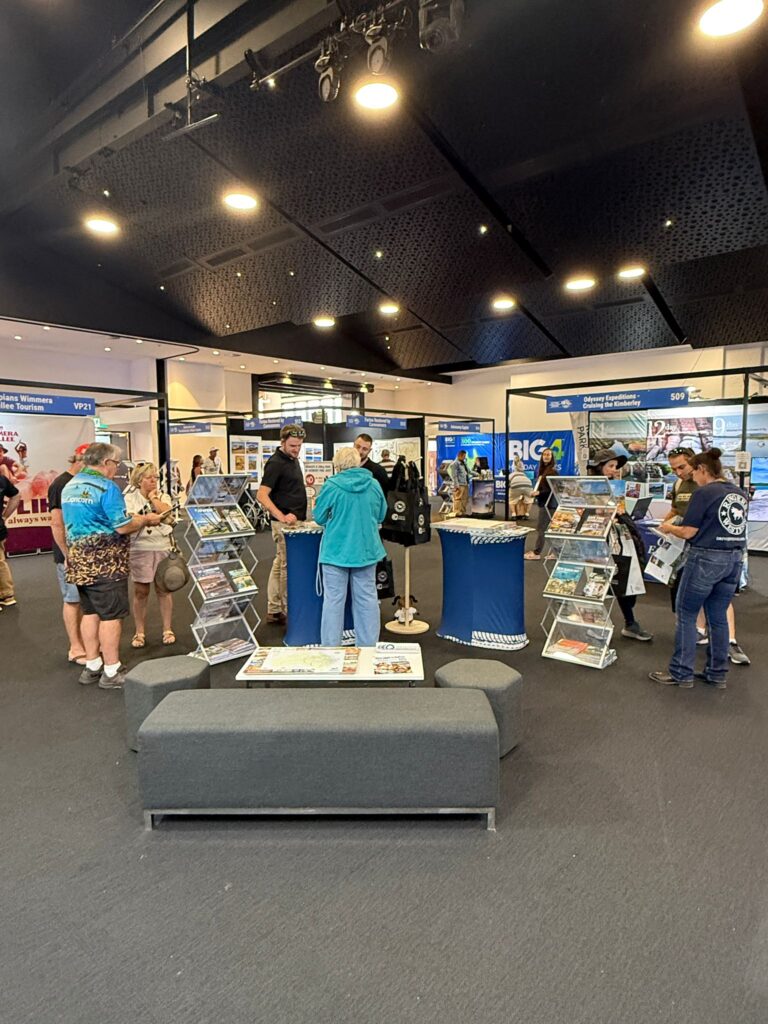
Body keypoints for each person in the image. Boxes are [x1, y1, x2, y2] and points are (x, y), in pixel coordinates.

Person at [61, 443, 163, 689]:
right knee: (111, 616)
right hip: (106, 562)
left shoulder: (70, 485)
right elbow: (122, 525)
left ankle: (92, 665)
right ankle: (111, 669)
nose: (116, 469)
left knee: (90, 612)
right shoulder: (107, 487)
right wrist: (145, 519)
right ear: (106, 463)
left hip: (79, 560)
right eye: (116, 464)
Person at [650, 448, 747, 688]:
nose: (692, 477)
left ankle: (681, 673)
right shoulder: (738, 493)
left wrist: (669, 528)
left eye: (694, 472)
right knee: (718, 618)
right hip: (734, 559)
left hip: (705, 557)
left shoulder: (704, 493)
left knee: (686, 614)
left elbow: (688, 531)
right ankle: (717, 673)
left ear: (703, 470)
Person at [313, 447, 387, 647]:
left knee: (333, 603)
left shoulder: (331, 486)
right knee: (367, 601)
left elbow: (318, 516)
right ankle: (368, 649)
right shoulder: (373, 485)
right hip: (366, 551)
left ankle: (331, 651)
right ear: (358, 462)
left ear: (337, 465)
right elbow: (381, 515)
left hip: (336, 552)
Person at [588, 448, 653, 641]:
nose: (614, 470)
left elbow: (618, 510)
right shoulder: (589, 486)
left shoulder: (615, 486)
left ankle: (630, 623)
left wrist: (619, 515)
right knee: (598, 581)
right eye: (610, 466)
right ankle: (595, 624)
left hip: (618, 538)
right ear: (599, 467)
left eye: (615, 467)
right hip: (598, 540)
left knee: (623, 580)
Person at [256, 425, 307, 625]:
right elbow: (261, 495)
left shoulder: (292, 460)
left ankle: (274, 609)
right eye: (293, 445)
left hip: (294, 523)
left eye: (299, 446)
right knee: (287, 567)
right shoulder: (276, 463)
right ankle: (288, 609)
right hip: (285, 525)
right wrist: (281, 516)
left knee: (280, 565)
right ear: (282, 442)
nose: (296, 449)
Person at [123, 463, 176, 648]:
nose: (153, 480)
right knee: (141, 591)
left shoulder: (163, 496)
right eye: (149, 477)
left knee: (164, 589)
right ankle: (139, 632)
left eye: (156, 477)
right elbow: (129, 520)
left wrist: (154, 499)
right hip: (139, 547)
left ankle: (167, 629)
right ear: (139, 480)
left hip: (162, 546)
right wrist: (145, 519)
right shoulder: (130, 498)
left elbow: (169, 514)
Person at [48, 442, 90, 662]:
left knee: (85, 600)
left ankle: (87, 644)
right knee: (72, 599)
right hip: (69, 554)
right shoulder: (60, 484)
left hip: (85, 552)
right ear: (79, 460)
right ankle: (75, 648)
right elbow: (56, 523)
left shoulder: (82, 483)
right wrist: (67, 555)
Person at [525, 448, 558, 559]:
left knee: (542, 529)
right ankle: (556, 552)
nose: (546, 456)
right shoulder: (543, 471)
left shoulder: (552, 472)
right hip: (545, 503)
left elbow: (552, 490)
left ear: (552, 457)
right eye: (544, 454)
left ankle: (536, 553)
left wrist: (538, 492)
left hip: (549, 504)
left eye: (548, 454)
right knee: (550, 529)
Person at [0, 470, 21, 608]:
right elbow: (16, 495)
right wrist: (4, 516)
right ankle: (7, 595)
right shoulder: (1, 479)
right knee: (0, 561)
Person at [449, 449, 469, 516]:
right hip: (459, 484)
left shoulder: (463, 463)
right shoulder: (454, 464)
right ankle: (457, 512)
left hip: (465, 483)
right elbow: (454, 476)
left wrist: (478, 474)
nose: (464, 457)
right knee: (458, 498)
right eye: (463, 456)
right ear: (459, 455)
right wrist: (456, 485)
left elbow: (469, 471)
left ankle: (463, 512)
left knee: (464, 499)